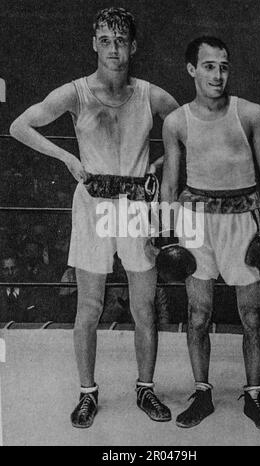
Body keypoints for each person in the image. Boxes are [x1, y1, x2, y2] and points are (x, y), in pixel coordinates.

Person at [10, 7, 178, 428]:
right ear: (94, 44)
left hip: (138, 203)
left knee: (143, 305)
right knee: (89, 304)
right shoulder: (76, 92)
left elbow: (186, 131)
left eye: (120, 41)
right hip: (93, 201)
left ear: (133, 46)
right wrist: (66, 156)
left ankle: (145, 388)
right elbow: (19, 125)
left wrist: (159, 165)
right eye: (105, 39)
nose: (113, 49)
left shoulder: (151, 94)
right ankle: (87, 392)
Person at [161, 36, 260, 431]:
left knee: (251, 314)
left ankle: (253, 396)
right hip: (196, 221)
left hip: (243, 219)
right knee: (198, 314)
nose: (218, 74)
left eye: (224, 66)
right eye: (209, 66)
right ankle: (202, 392)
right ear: (192, 69)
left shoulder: (250, 113)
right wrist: (168, 233)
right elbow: (170, 181)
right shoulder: (176, 121)